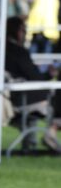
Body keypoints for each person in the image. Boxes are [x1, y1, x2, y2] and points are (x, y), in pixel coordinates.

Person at [4, 17, 61, 153]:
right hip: (25, 96)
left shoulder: (2, 50)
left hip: (14, 95)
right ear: (17, 32)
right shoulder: (18, 52)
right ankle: (52, 131)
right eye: (23, 30)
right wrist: (49, 73)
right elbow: (35, 77)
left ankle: (50, 132)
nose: (25, 33)